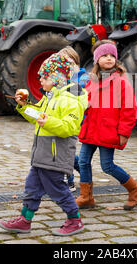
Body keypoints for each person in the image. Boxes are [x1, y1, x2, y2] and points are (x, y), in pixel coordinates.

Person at [0, 53, 88, 236]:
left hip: (56, 155)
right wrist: (24, 106)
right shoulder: (51, 96)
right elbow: (39, 114)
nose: (41, 80)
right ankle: (25, 220)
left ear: (57, 78)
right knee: (31, 188)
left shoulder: (71, 98)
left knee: (57, 189)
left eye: (44, 77)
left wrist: (48, 122)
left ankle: (74, 220)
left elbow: (70, 127)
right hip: (42, 154)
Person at [76, 41, 137, 210]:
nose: (109, 58)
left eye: (112, 56)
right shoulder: (91, 81)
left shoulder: (121, 82)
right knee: (83, 162)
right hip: (91, 130)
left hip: (108, 131)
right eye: (104, 55)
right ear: (96, 60)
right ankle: (86, 197)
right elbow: (85, 102)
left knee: (107, 165)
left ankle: (135, 188)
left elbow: (129, 109)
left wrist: (124, 132)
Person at [57, 46, 90, 191]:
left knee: (66, 151)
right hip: (60, 119)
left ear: (76, 63)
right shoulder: (60, 79)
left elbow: (82, 97)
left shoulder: (83, 78)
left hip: (75, 120)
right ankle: (83, 172)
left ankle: (69, 180)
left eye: (69, 63)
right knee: (64, 151)